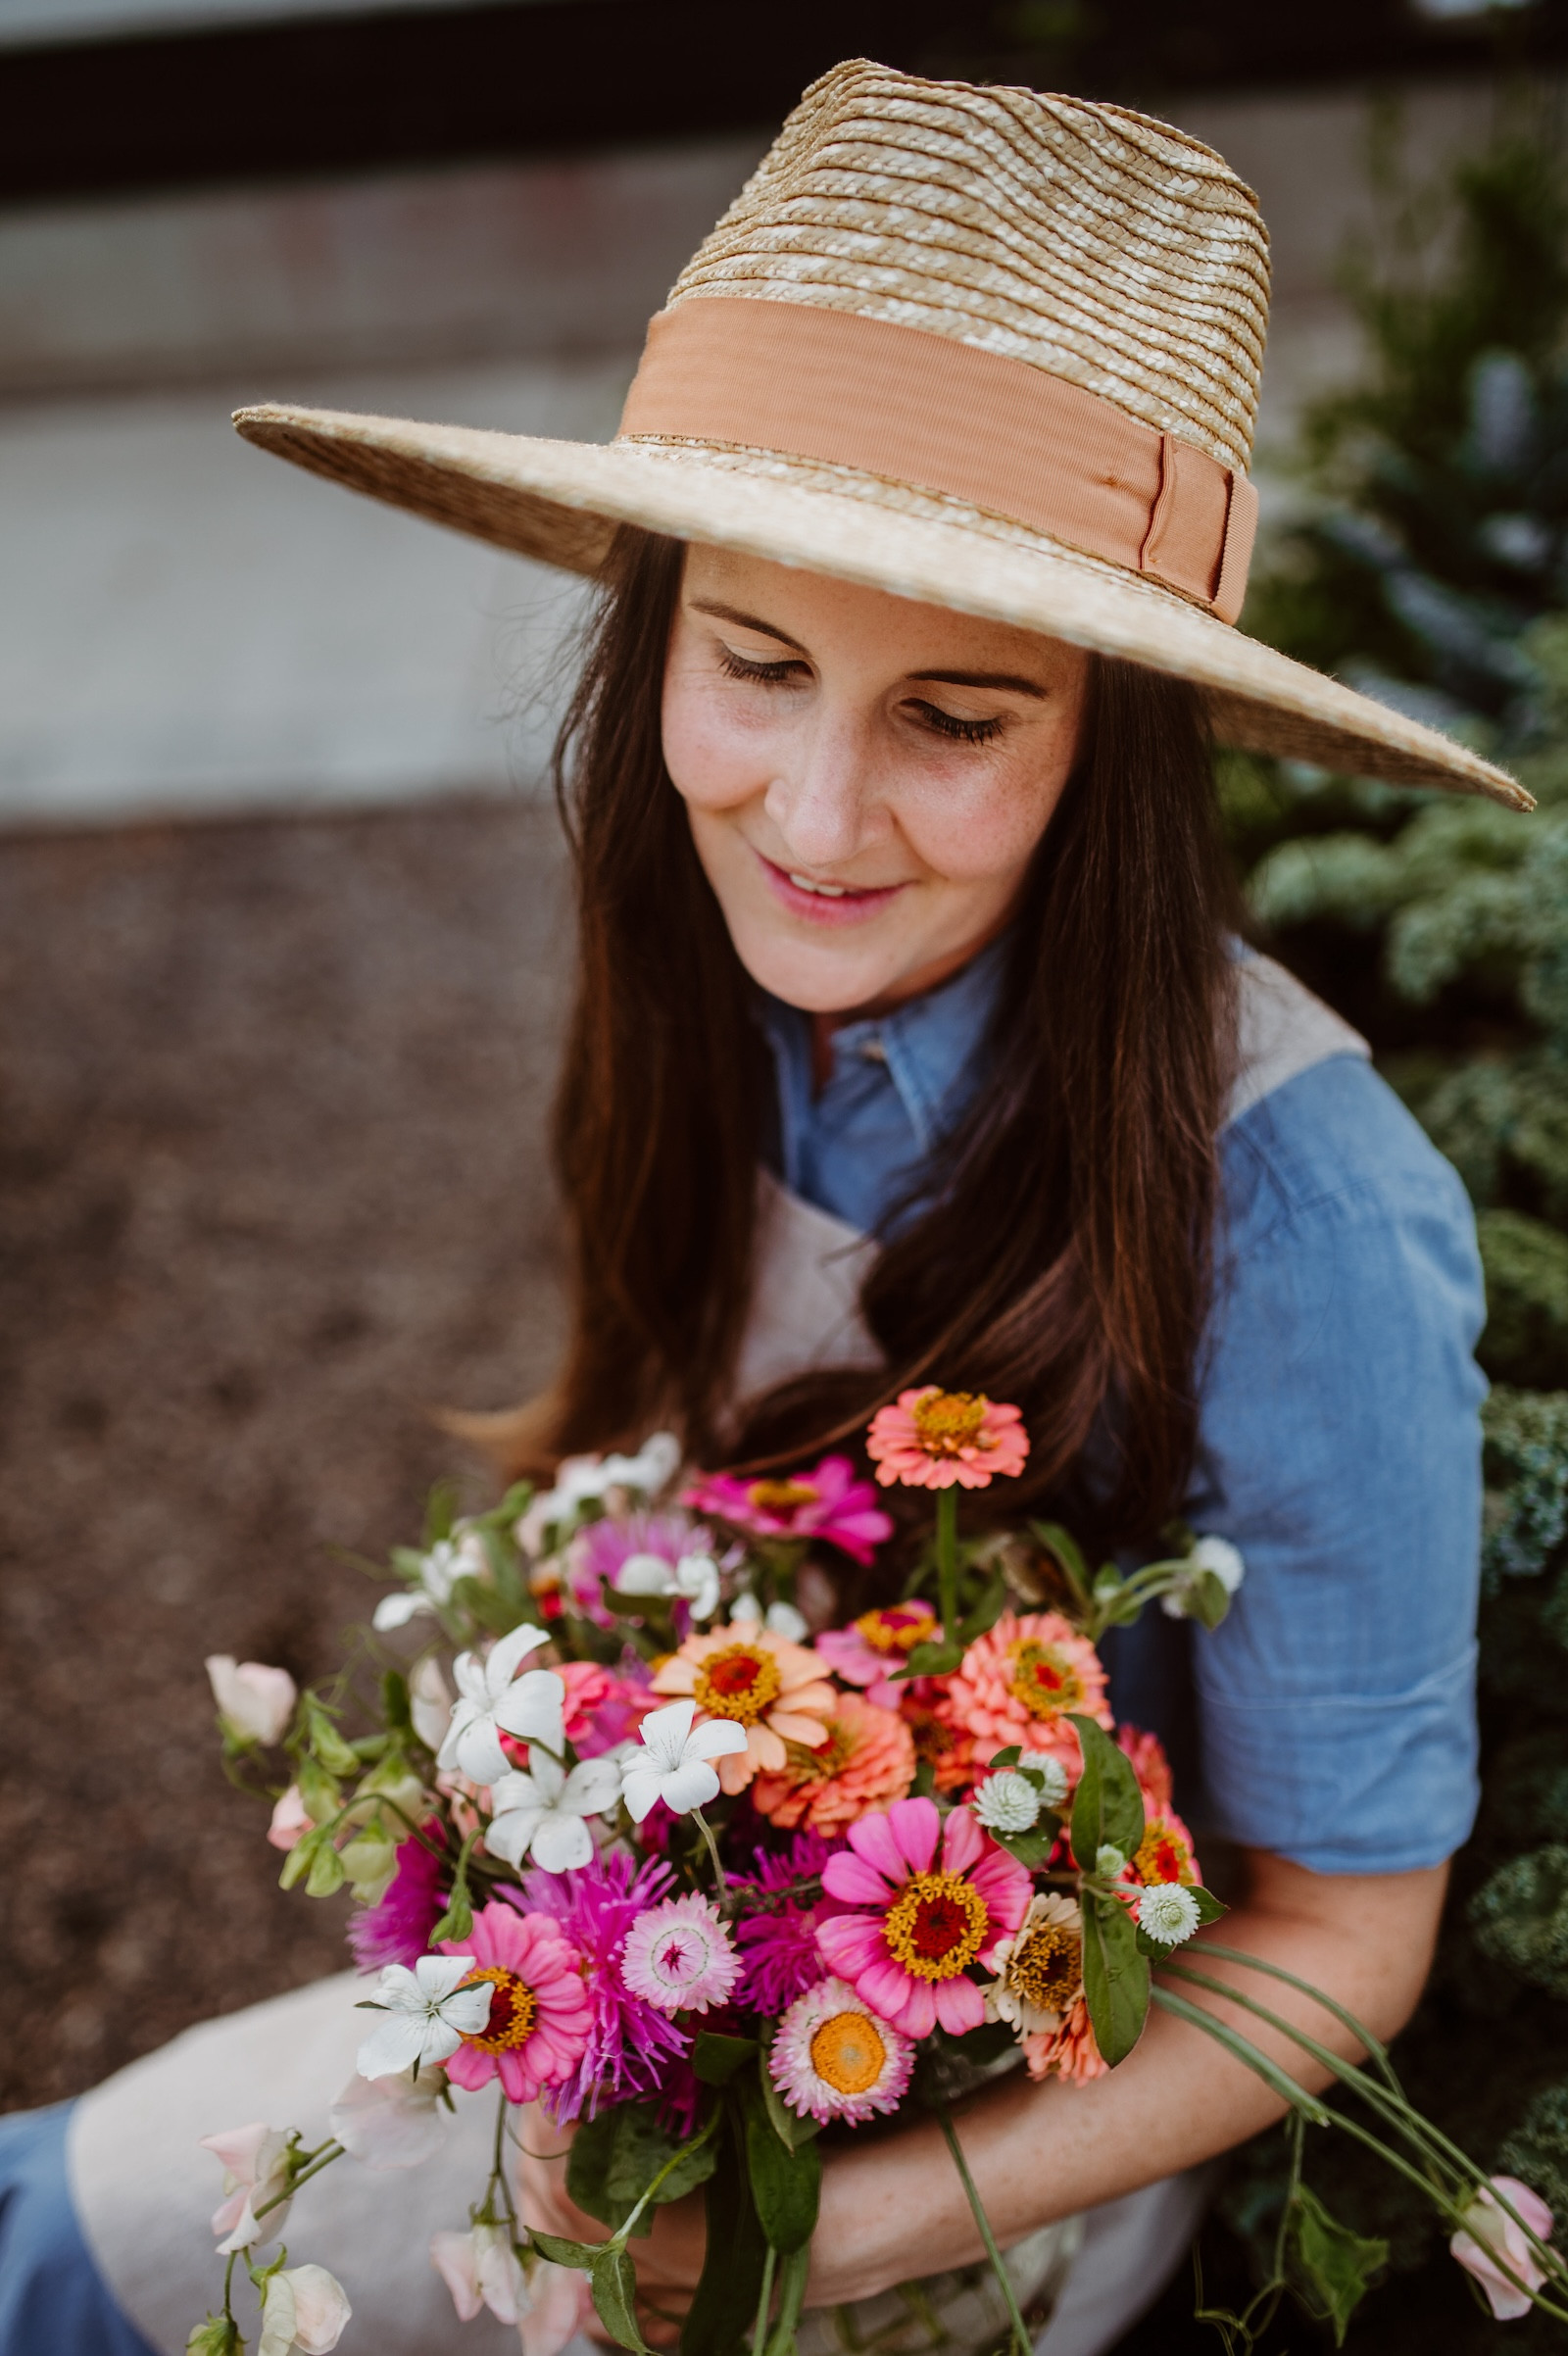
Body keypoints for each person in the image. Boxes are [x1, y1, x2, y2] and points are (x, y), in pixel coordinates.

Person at [0, 57, 1527, 2356]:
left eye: (954, 717)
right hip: (669, 2028)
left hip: (983, 2170)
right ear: (650, 635)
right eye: (755, 664)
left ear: (1105, 737)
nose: (812, 812)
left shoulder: (1296, 1207)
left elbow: (1335, 1938)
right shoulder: (700, 950)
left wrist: (811, 2236)